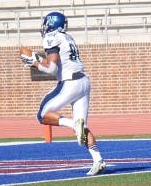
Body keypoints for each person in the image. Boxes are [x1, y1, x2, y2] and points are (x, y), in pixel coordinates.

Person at [20, 11, 106, 175]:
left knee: (42, 115)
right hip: (84, 82)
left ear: (50, 24)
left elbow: (52, 69)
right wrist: (36, 59)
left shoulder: (52, 37)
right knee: (83, 127)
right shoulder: (68, 37)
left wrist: (34, 63)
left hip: (70, 83)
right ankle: (98, 160)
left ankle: (73, 124)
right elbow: (55, 62)